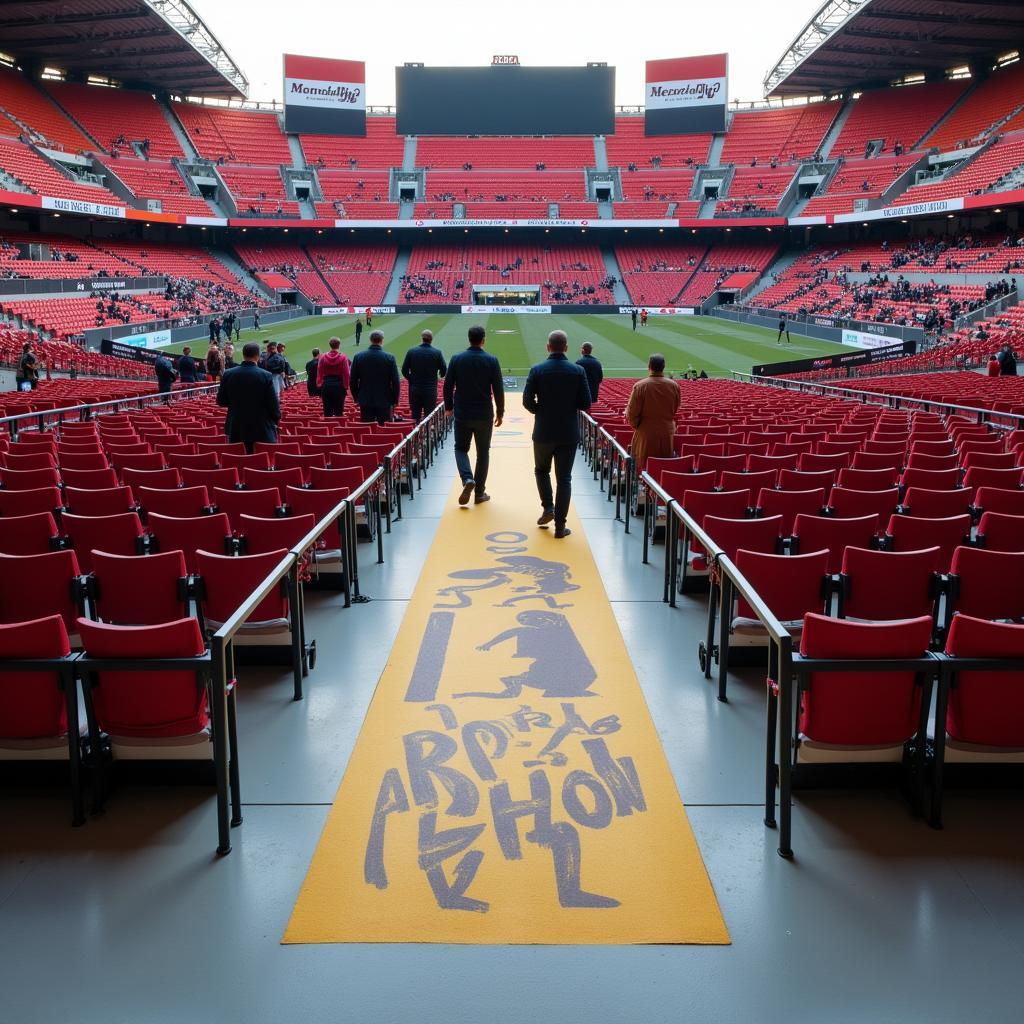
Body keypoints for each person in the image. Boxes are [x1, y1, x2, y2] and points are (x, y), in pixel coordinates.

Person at [523, 331, 592, 539]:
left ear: (548, 347)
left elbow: (527, 401)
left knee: (541, 471)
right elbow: (586, 403)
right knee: (564, 479)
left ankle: (548, 509)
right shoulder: (578, 370)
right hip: (568, 432)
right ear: (566, 348)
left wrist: (541, 411)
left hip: (543, 430)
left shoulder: (537, 370)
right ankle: (560, 527)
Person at [443, 324, 504, 506]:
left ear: (469, 338)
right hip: (484, 413)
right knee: (483, 452)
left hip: (463, 412)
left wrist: (449, 407)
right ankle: (479, 493)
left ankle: (467, 479)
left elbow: (447, 386)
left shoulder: (457, 359)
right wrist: (500, 412)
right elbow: (499, 389)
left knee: (460, 448)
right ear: (483, 339)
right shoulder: (492, 360)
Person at [216, 341, 280, 453]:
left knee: (240, 463)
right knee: (261, 463)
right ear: (258, 356)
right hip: (261, 429)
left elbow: (221, 401)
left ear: (244, 355)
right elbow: (274, 407)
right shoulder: (266, 376)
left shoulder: (228, 374)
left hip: (236, 428)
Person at [625, 353, 681, 471]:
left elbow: (632, 413)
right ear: (664, 366)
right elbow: (675, 408)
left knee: (644, 467)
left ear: (649, 366)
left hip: (646, 433)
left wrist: (638, 426)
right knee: (663, 467)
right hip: (667, 431)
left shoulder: (640, 386)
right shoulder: (674, 386)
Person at [350, 329, 400, 425]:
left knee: (367, 429)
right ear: (382, 340)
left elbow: (353, 381)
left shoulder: (359, 357)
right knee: (384, 429)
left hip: (365, 400)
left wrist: (357, 398)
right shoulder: (389, 358)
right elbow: (395, 381)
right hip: (385, 400)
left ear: (370, 340)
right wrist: (395, 399)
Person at [402, 329, 447, 422]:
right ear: (431, 339)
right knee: (429, 417)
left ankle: (417, 436)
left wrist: (411, 379)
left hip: (415, 389)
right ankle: (426, 436)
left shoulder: (412, 351)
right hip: (430, 389)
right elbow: (444, 370)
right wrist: (438, 377)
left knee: (415, 417)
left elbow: (404, 370)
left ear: (422, 338)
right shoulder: (437, 353)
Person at [317, 337, 351, 417]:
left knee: (327, 411)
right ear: (339, 345)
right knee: (339, 412)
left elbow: (319, 372)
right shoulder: (343, 357)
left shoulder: (323, 357)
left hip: (326, 385)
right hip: (339, 386)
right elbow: (346, 373)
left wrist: (319, 384)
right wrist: (346, 386)